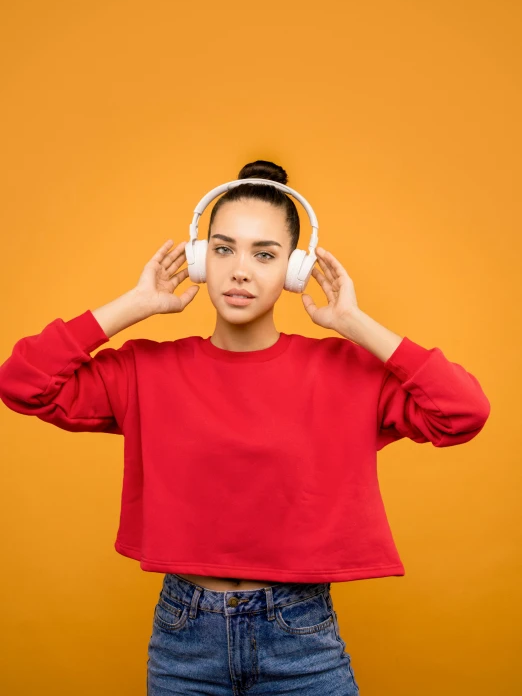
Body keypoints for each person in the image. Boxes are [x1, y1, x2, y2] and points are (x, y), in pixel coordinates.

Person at [0, 160, 491, 695]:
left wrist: (353, 322)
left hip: (302, 639)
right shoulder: (145, 370)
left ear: (294, 270)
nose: (240, 270)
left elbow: (463, 410)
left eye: (265, 254)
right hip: (184, 639)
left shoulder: (344, 373)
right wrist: (135, 305)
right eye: (223, 248)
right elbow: (23, 383)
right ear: (199, 259)